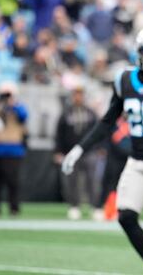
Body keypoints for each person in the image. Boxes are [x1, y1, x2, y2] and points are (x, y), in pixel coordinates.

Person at [62, 25, 143, 275]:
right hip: (137, 160)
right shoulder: (124, 80)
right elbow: (108, 121)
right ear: (138, 52)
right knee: (126, 217)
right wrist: (79, 148)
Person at [54, 83, 99, 220]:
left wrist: (100, 148)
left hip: (88, 151)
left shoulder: (91, 113)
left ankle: (95, 206)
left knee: (92, 180)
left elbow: (98, 132)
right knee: (71, 181)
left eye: (80, 94)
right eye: (76, 94)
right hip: (71, 152)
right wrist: (58, 151)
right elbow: (59, 134)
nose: (78, 97)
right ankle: (74, 206)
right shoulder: (66, 113)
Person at [0, 81, 28, 216]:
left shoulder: (17, 107)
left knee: (12, 182)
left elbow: (24, 116)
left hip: (14, 149)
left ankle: (14, 208)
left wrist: (13, 104)